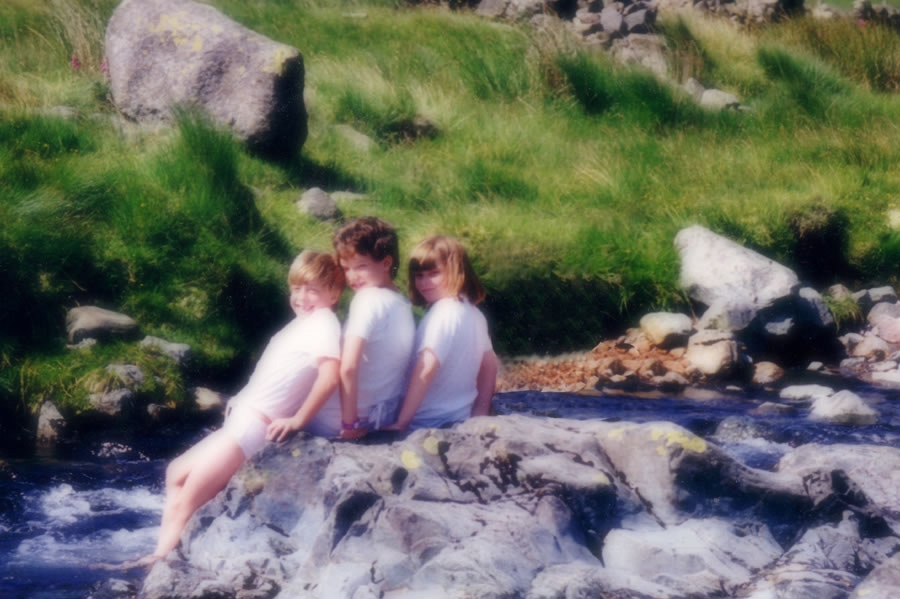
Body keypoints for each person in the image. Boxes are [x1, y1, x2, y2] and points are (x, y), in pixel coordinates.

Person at [138, 250, 345, 566]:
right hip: (243, 419)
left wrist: (297, 419)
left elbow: (330, 376)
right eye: (296, 289)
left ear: (334, 292)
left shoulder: (324, 324)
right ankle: (171, 550)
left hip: (254, 426)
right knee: (176, 473)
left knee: (188, 498)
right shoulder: (305, 323)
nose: (302, 297)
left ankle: (158, 562)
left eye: (313, 289)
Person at [383, 235, 498, 431]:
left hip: (424, 423)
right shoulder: (473, 312)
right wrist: (479, 415)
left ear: (456, 271)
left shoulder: (443, 313)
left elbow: (426, 367)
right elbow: (490, 366)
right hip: (458, 418)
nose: (424, 282)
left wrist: (402, 422)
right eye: (419, 275)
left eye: (434, 273)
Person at [332, 217, 415, 439]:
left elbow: (348, 366)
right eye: (346, 268)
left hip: (348, 416)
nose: (351, 277)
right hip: (383, 413)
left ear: (386, 263)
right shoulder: (402, 303)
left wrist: (349, 425)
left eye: (360, 266)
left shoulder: (367, 299)